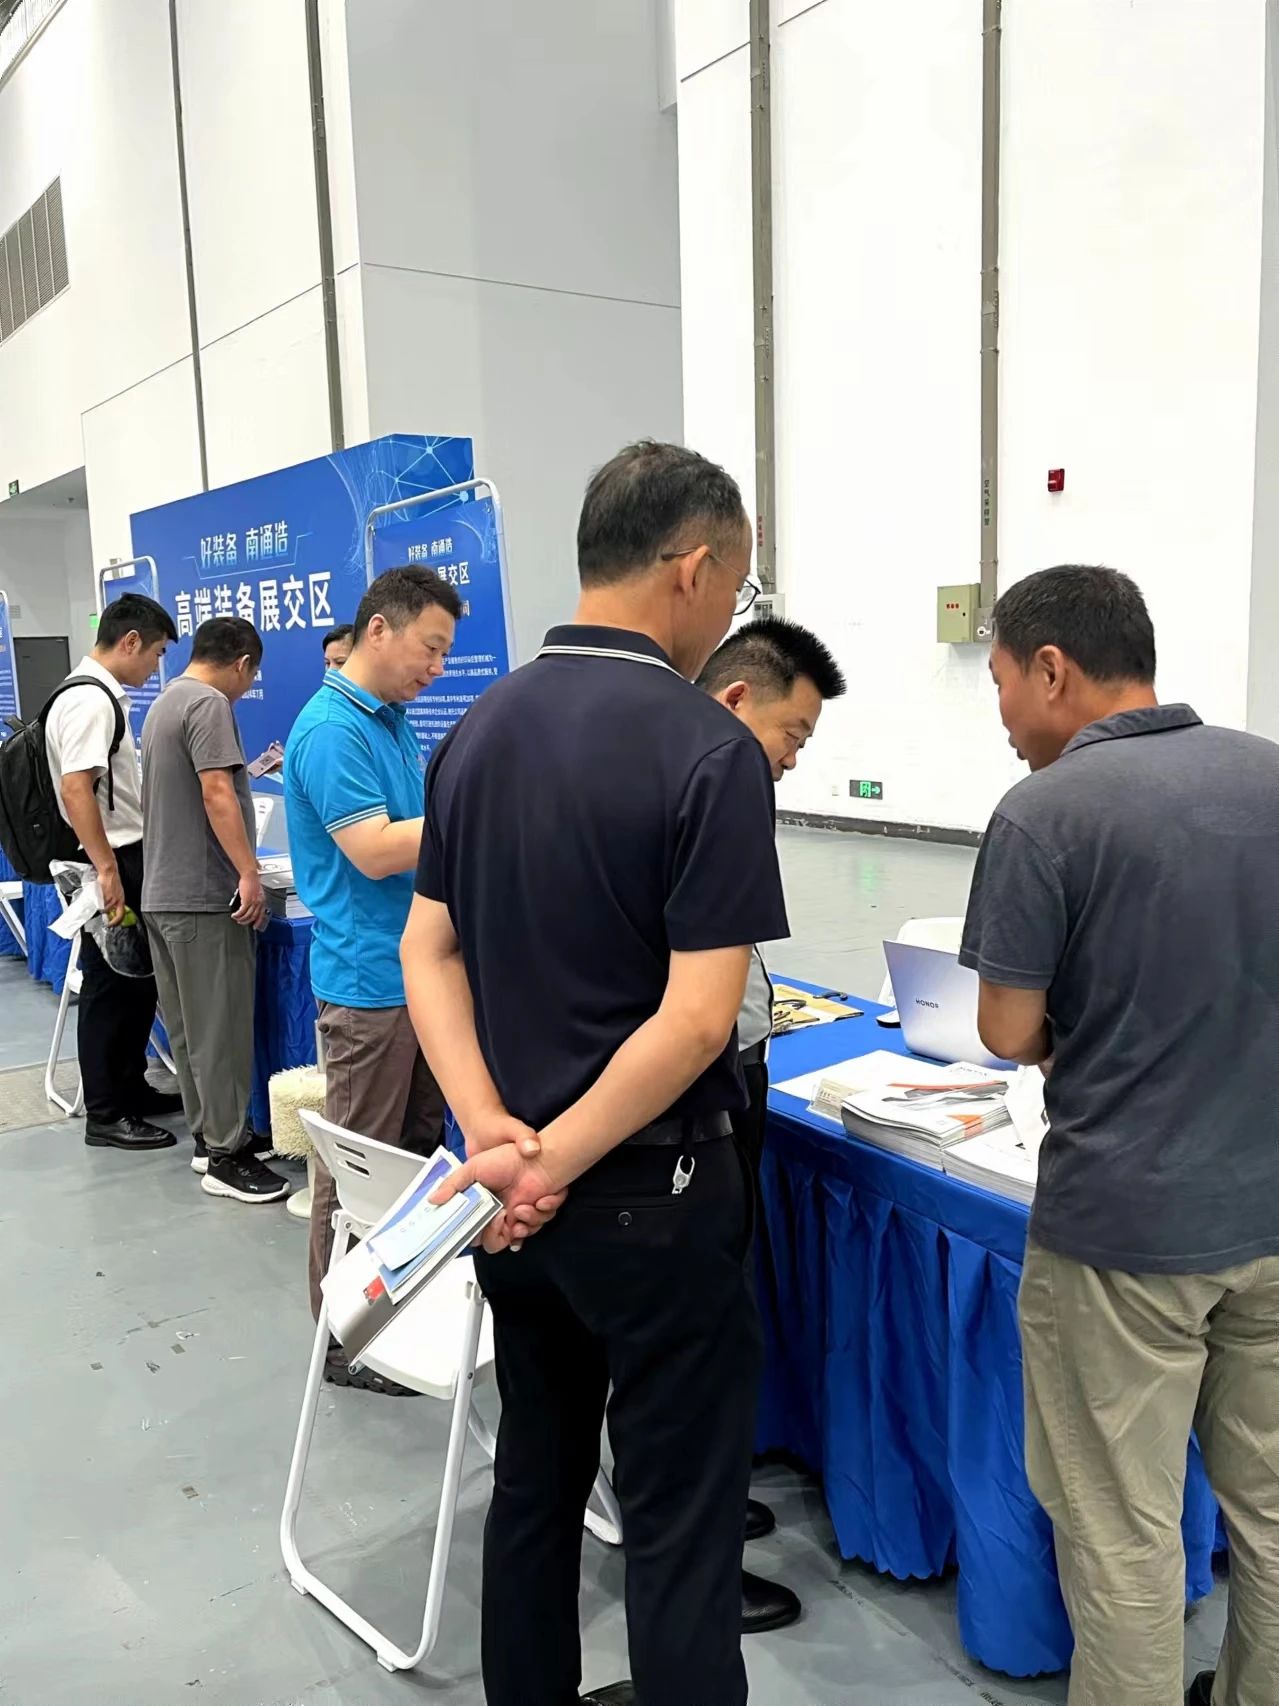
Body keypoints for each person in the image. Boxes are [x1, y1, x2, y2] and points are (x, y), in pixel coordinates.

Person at [404, 441, 790, 1706]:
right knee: (678, 1522)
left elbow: (428, 949)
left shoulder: (477, 729)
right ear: (691, 568)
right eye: (734, 586)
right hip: (649, 1196)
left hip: (514, 1205)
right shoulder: (708, 749)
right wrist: (551, 1159)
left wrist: (493, 1136)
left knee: (536, 1478)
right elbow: (697, 1021)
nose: (728, 611)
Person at [958, 565, 1279, 1706]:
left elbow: (1006, 1030)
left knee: (1120, 1532)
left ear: (1051, 669)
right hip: (1268, 1207)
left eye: (1000, 684)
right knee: (1270, 1509)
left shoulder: (1044, 813)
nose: (1001, 716)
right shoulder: (1267, 772)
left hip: (1124, 1234)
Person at [698, 613, 846, 1624]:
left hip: (730, 1061)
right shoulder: (698, 780)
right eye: (791, 733)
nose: (793, 758)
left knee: (718, 1304)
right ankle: (695, 1546)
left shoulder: (718, 776)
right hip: (697, 1087)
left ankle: (706, 1500)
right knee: (699, 1321)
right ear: (737, 698)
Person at [285, 567, 458, 1387]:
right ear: (379, 630)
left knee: (415, 1157)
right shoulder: (331, 729)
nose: (436, 669)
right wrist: (475, 812)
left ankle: (398, 1312)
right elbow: (376, 849)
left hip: (419, 973)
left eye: (446, 654)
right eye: (430, 648)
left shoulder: (390, 722)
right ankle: (342, 1340)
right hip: (368, 985)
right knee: (357, 1170)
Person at [140, 616, 288, 1205]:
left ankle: (211, 1138)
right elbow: (217, 790)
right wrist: (249, 872)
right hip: (204, 896)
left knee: (190, 1033)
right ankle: (228, 1156)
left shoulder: (164, 703)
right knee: (220, 1031)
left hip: (163, 893)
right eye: (250, 678)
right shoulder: (208, 704)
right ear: (243, 663)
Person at [44, 592, 182, 1152]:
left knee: (134, 982)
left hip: (121, 854)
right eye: (156, 654)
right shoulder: (90, 700)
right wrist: (107, 869)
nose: (154, 667)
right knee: (109, 985)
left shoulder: (92, 694)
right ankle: (105, 1112)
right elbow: (76, 788)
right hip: (111, 857)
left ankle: (130, 1088)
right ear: (130, 642)